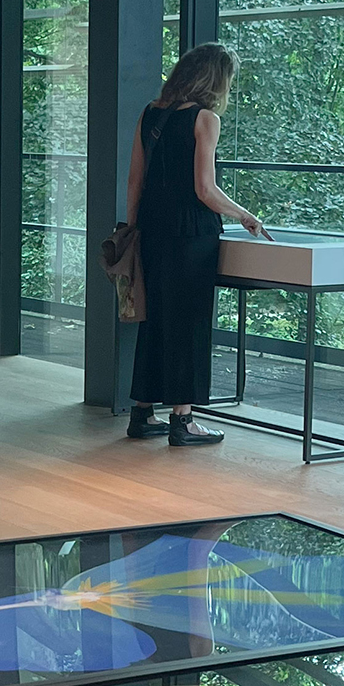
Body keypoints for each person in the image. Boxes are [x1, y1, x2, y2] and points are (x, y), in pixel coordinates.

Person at [125, 43, 268, 446]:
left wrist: (135, 229)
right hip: (191, 234)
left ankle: (142, 413)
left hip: (152, 231)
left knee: (153, 319)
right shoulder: (205, 119)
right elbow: (205, 190)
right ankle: (183, 420)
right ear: (215, 80)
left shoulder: (151, 113)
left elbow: (135, 180)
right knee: (188, 320)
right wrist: (244, 214)